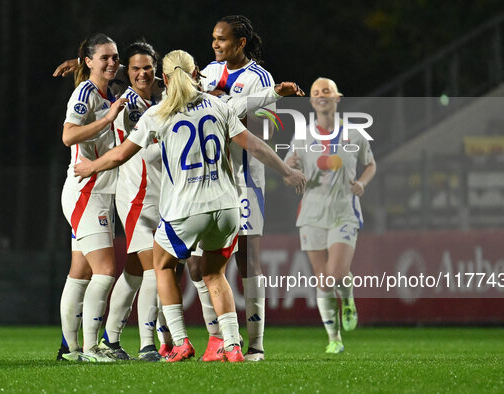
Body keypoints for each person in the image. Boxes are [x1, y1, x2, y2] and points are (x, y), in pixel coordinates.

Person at [74, 49, 306, 362]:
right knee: (214, 275)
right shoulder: (218, 104)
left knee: (162, 265)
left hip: (187, 209)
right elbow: (256, 146)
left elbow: (119, 155)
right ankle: (232, 345)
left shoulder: (159, 114)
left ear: (164, 78)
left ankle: (180, 341)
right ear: (196, 73)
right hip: (227, 209)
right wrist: (287, 171)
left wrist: (91, 167)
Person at [192, 14, 279, 362]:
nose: (215, 45)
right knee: (199, 266)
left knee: (248, 259)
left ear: (240, 43)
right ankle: (219, 340)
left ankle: (255, 344)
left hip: (244, 180)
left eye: (222, 39)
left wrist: (231, 108)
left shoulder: (261, 78)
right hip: (208, 181)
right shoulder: (208, 72)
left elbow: (272, 125)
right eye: (213, 38)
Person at [285, 77, 376, 353]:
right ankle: (334, 339)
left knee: (333, 274)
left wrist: (361, 183)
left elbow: (371, 164)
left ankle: (347, 300)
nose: (321, 95)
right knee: (322, 277)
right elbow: (290, 172)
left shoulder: (355, 134)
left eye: (326, 91)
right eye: (316, 92)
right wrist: (290, 171)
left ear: (337, 97)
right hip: (311, 213)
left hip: (343, 211)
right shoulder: (302, 136)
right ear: (312, 101)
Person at [93, 41, 168, 362]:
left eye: (147, 67)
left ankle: (110, 337)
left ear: (157, 69)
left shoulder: (166, 96)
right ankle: (148, 343)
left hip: (165, 192)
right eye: (134, 68)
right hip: (136, 193)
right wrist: (83, 63)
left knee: (136, 269)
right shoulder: (126, 103)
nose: (141, 73)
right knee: (155, 266)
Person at [57, 33, 128, 362]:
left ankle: (71, 351)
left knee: (81, 272)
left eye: (115, 56)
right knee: (105, 271)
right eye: (105, 57)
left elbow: (140, 71)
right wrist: (106, 120)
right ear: (89, 61)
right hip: (87, 192)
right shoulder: (86, 93)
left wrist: (87, 64)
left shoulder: (105, 87)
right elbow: (68, 135)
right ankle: (91, 347)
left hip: (96, 192)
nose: (113, 62)